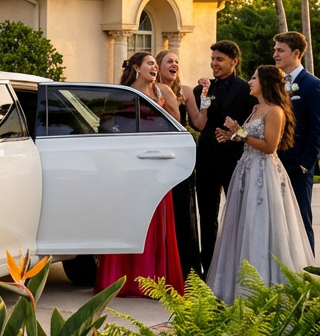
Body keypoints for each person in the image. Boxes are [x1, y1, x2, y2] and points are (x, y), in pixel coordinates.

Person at [206, 65, 316, 302]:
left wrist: (241, 133)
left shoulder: (275, 111)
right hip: (246, 168)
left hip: (263, 174)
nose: (250, 81)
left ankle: (266, 286)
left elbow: (269, 146)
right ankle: (237, 286)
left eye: (254, 77)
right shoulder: (256, 108)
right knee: (243, 223)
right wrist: (232, 136)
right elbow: (249, 138)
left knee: (261, 223)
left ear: (265, 82)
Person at [95, 52, 185, 297]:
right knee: (127, 218)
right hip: (127, 166)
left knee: (155, 218)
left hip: (156, 164)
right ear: (136, 67)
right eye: (150, 63)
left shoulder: (163, 92)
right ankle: (120, 279)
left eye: (156, 64)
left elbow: (177, 123)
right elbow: (104, 128)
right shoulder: (121, 94)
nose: (155, 67)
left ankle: (153, 280)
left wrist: (160, 109)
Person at [182, 41, 256, 273]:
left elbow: (251, 126)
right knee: (207, 215)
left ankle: (236, 266)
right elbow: (197, 124)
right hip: (206, 159)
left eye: (219, 59)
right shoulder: (201, 89)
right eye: (213, 59)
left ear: (234, 61)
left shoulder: (248, 90)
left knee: (236, 213)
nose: (214, 63)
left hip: (234, 160)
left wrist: (234, 134)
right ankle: (209, 267)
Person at [273, 32, 320, 250]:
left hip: (298, 166)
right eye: (275, 49)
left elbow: (319, 129)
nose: (275, 54)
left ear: (296, 53)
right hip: (275, 163)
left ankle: (306, 273)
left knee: (301, 221)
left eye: (280, 50)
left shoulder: (312, 85)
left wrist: (306, 164)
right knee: (280, 222)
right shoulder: (276, 84)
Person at [156, 49, 203, 278]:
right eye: (169, 61)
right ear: (158, 66)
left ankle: (188, 271)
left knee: (183, 211)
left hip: (182, 156)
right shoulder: (151, 91)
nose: (174, 64)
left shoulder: (185, 92)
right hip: (158, 157)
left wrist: (206, 97)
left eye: (176, 61)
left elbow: (199, 123)